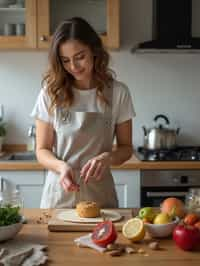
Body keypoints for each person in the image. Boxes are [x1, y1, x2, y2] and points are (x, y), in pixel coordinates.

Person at [31, 17, 136, 208]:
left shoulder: (118, 93)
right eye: (65, 60)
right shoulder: (50, 92)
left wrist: (108, 158)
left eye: (80, 57)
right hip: (59, 193)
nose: (73, 67)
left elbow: (126, 148)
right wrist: (61, 167)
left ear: (94, 51)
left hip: (100, 196)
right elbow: (41, 149)